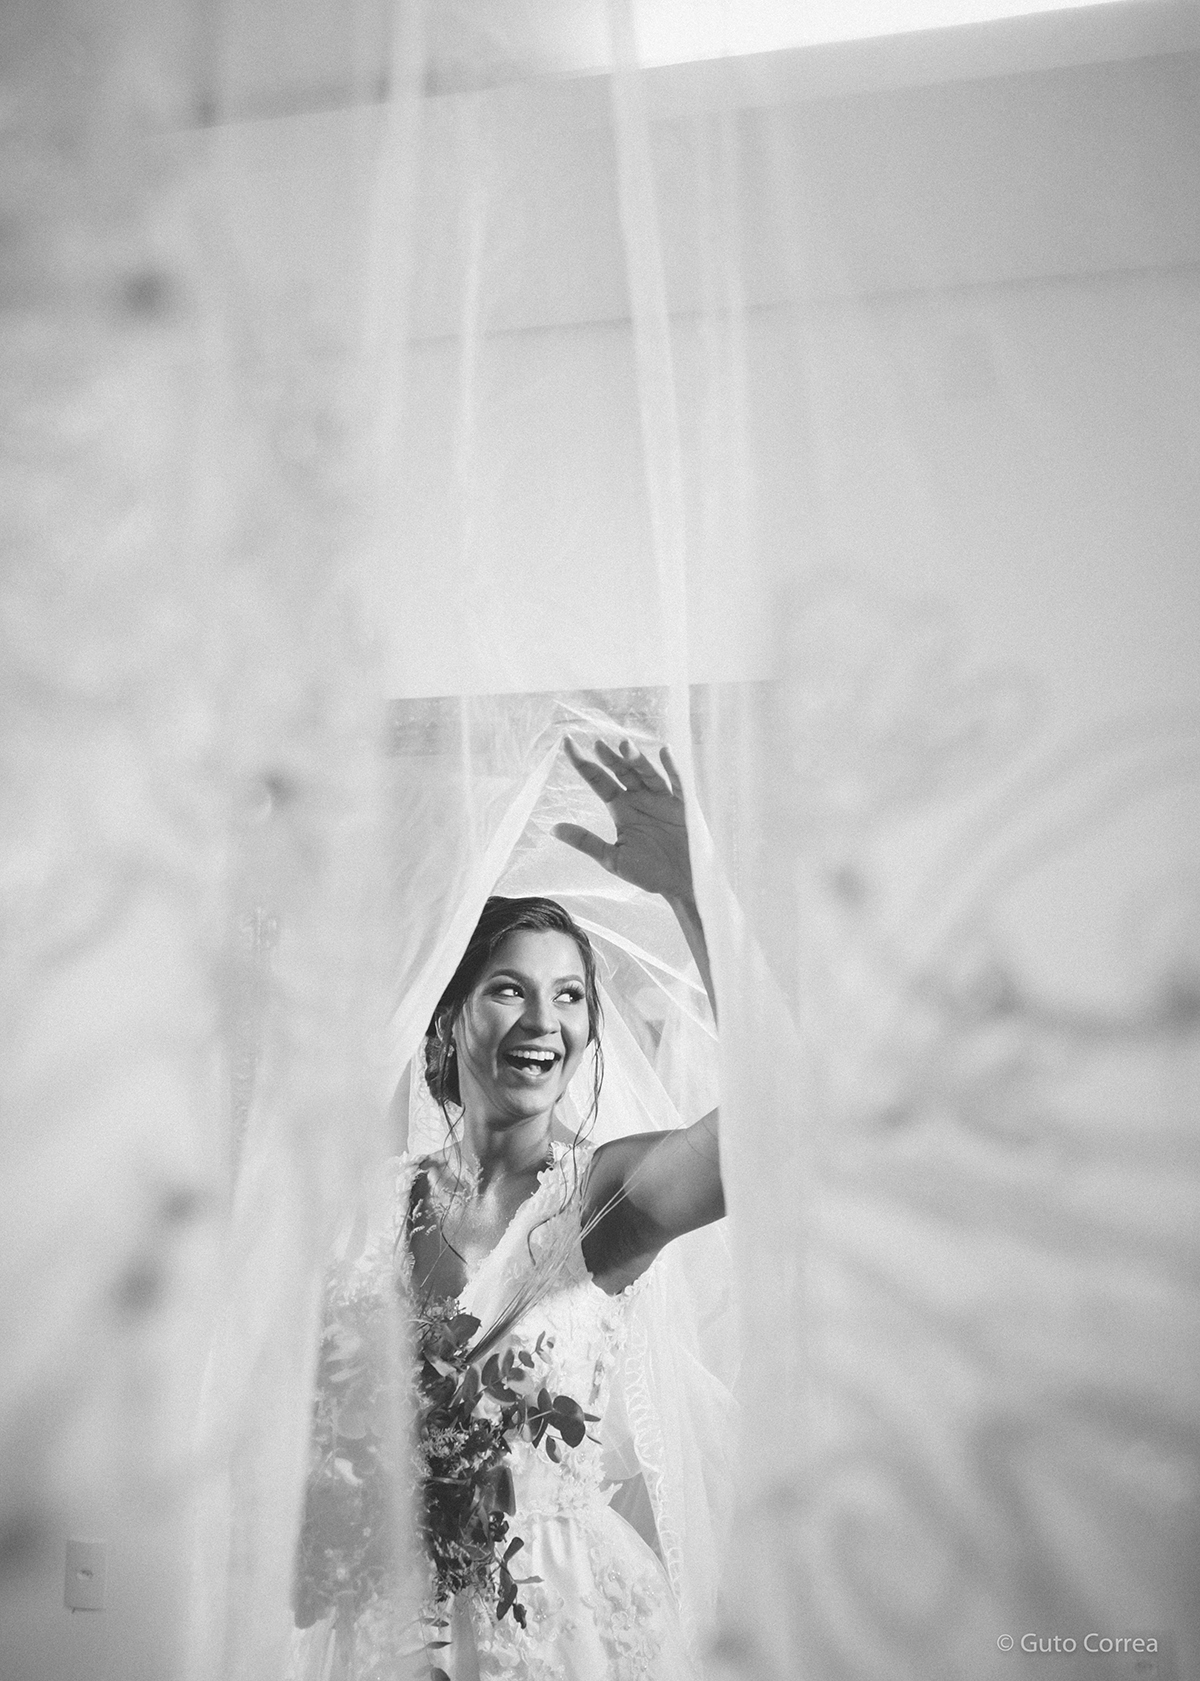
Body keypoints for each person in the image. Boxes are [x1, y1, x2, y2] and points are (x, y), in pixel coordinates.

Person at [292, 736, 724, 1681]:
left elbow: (774, 1130)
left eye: (569, 996)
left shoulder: (605, 1197)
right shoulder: (373, 1202)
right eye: (508, 989)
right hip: (386, 1628)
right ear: (448, 1016)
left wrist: (694, 896)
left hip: (559, 1627)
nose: (543, 1020)